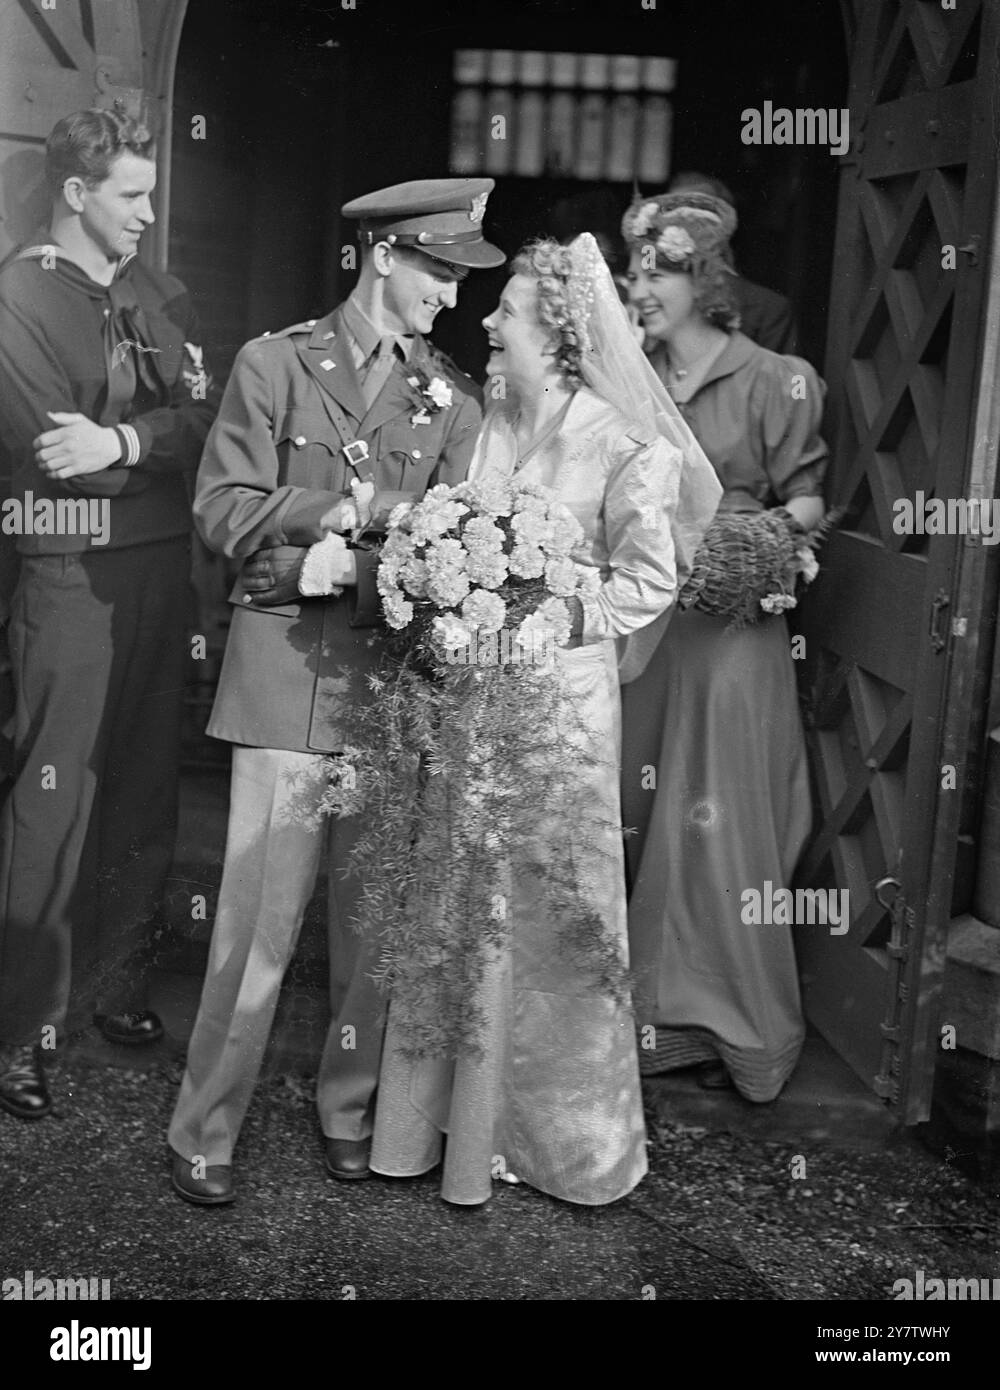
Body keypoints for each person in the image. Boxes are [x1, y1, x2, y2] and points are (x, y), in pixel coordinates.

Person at [167, 178, 505, 1205]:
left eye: (459, 276)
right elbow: (222, 507)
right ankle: (206, 1125)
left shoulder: (453, 401)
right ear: (383, 254)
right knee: (254, 928)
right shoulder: (275, 363)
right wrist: (354, 507)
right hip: (278, 687)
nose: (451, 296)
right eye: (440, 270)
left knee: (368, 930)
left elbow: (461, 551)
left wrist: (328, 562)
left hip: (384, 688)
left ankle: (348, 1108)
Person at [366, 234, 721, 1205]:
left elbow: (647, 582)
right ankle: (454, 1124)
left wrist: (541, 613)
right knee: (460, 899)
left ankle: (566, 1139)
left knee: (554, 912)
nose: (486, 319)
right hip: (476, 696)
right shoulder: (489, 426)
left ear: (558, 333)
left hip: (563, 705)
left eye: (508, 311)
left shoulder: (623, 440)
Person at [0, 108, 218, 1120]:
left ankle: (116, 980)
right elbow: (53, 457)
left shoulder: (152, 291)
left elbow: (206, 422)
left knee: (140, 785)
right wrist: (144, 449)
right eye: (133, 194)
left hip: (157, 570)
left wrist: (126, 446)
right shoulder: (17, 299)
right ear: (79, 193)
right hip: (69, 578)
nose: (150, 212)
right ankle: (19, 1024)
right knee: (55, 799)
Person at [620, 191, 827, 1101]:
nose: (639, 286)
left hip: (736, 635)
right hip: (654, 631)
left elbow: (811, 498)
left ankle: (739, 1029)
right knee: (643, 816)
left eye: (657, 270)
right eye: (634, 269)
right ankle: (651, 1022)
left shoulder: (777, 376)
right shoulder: (632, 382)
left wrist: (766, 542)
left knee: (721, 827)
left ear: (707, 280)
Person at [667, 171, 799, 354]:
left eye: (697, 217)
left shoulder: (767, 309)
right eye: (671, 214)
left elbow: (782, 379)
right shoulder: (647, 297)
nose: (677, 226)